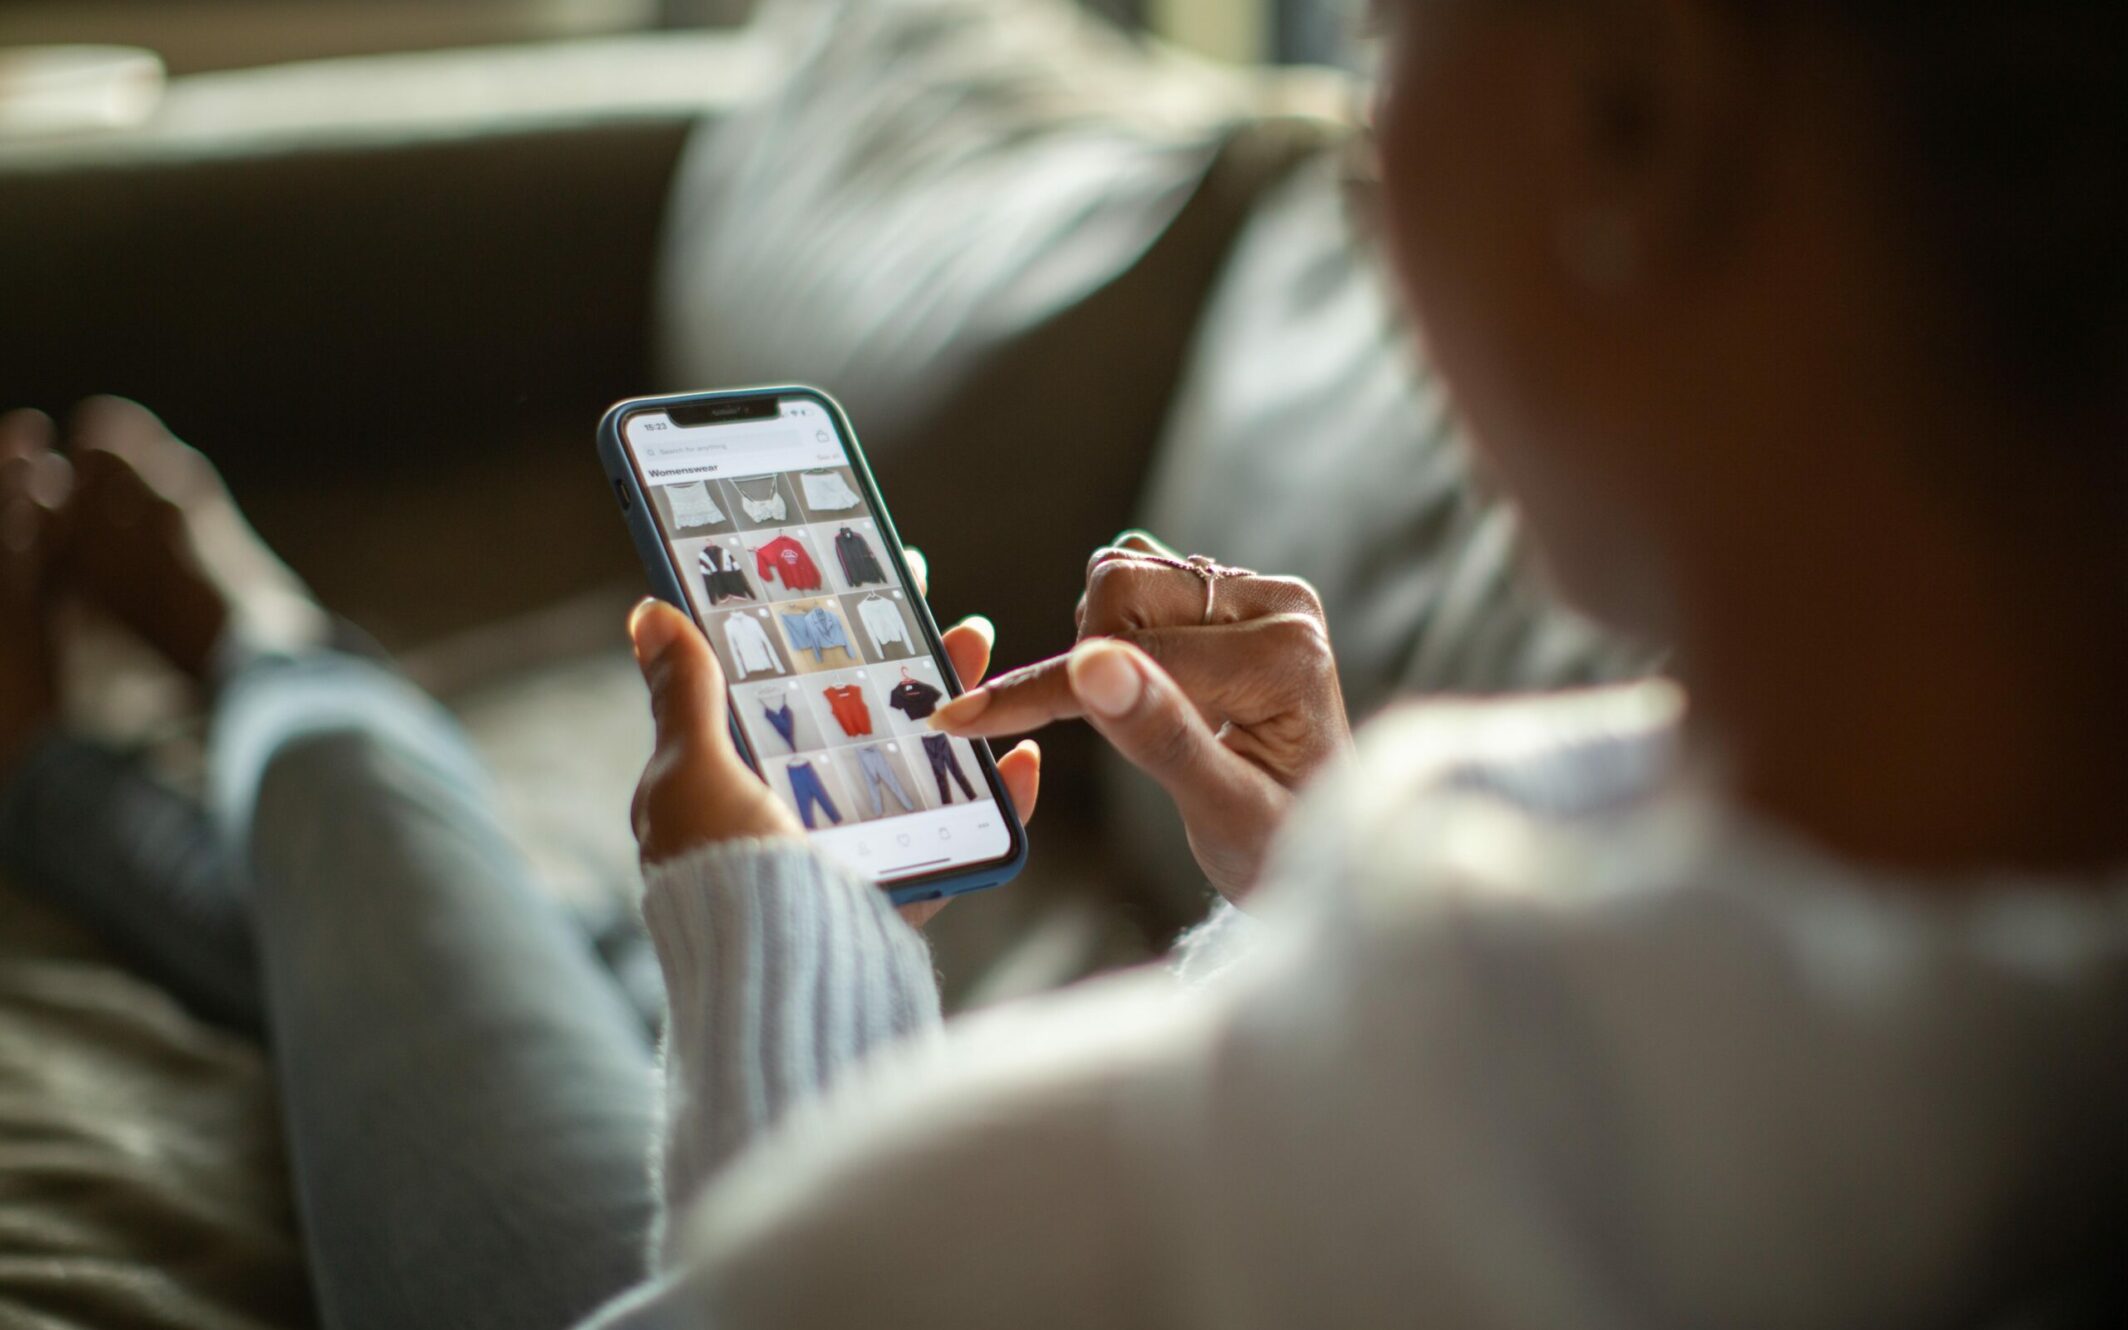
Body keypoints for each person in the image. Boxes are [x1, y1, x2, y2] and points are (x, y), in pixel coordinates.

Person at [5, 0, 2127, 1324]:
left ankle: (259, 667)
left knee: (408, 835)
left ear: (1637, 111)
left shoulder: (1174, 1184)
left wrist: (798, 932)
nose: (1362, 139)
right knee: (509, 950)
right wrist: (1293, 892)